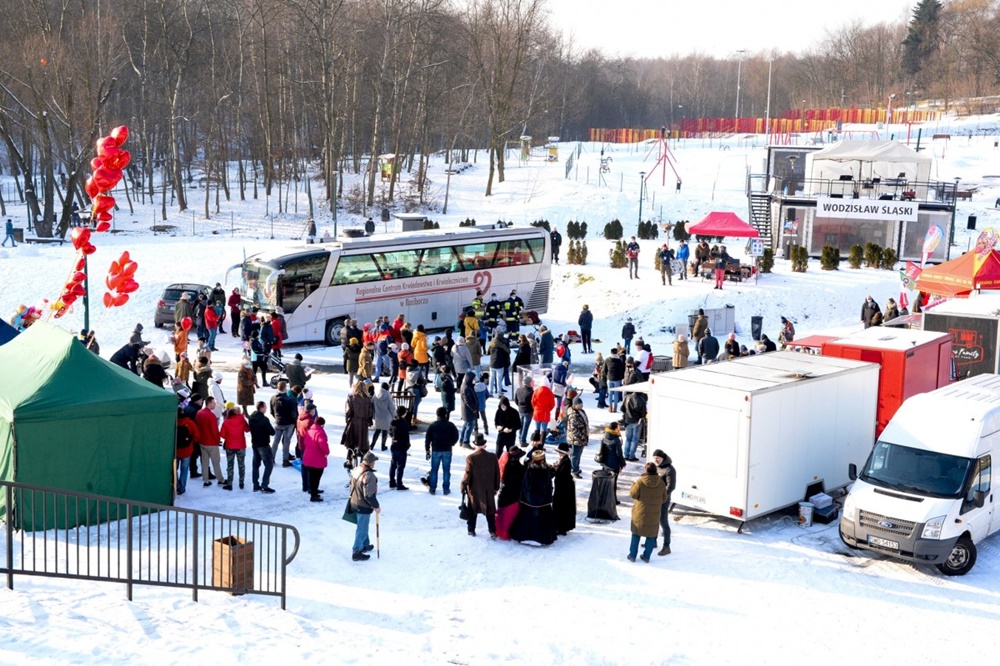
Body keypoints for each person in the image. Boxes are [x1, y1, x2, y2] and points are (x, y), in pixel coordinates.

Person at [512, 449, 558, 545]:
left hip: (528, 501)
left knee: (527, 518)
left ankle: (525, 537)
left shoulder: (529, 469)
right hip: (543, 502)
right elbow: (548, 485)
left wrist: (524, 497)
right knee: (542, 519)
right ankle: (540, 539)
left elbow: (525, 485)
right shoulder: (545, 470)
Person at [461, 433, 501, 537]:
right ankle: (492, 531)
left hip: (474, 490)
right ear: (485, 445)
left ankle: (471, 530)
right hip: (489, 489)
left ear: (474, 446)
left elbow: (468, 474)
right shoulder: (493, 457)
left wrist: (463, 485)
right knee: (490, 511)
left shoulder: (471, 458)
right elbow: (497, 474)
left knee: (473, 510)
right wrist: (496, 487)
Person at [628, 462, 668, 562]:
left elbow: (633, 495)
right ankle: (646, 556)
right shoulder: (661, 483)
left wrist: (633, 484)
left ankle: (632, 556)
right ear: (656, 471)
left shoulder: (640, 482)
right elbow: (664, 498)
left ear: (646, 470)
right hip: (654, 515)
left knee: (636, 534)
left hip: (640, 513)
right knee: (651, 535)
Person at [349, 451, 380, 561]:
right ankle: (356, 550)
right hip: (363, 505)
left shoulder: (356, 470)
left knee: (363, 525)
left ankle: (365, 544)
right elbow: (369, 495)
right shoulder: (369, 475)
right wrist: (376, 506)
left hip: (354, 502)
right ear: (371, 463)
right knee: (361, 527)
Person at [423, 406, 459, 495]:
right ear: (445, 414)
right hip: (447, 449)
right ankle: (446, 489)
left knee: (434, 470)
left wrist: (427, 450)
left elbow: (427, 439)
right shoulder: (450, 425)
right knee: (446, 470)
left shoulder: (433, 425)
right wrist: (452, 443)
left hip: (436, 449)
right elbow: (456, 436)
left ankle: (432, 488)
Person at [219, 407, 250, 490]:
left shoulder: (226, 422)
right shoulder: (242, 420)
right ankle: (241, 482)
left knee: (230, 465)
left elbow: (222, 435)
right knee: (241, 465)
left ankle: (229, 484)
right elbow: (247, 430)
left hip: (230, 446)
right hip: (241, 446)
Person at [196, 397, 224, 487]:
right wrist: (217, 440)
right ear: (209, 403)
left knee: (204, 462)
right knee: (216, 462)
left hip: (202, 441)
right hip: (211, 442)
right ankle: (220, 479)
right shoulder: (211, 416)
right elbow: (214, 431)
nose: (215, 404)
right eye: (213, 403)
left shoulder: (199, 413)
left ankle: (206, 480)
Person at [249, 401, 276, 493]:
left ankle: (255, 485)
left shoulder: (251, 417)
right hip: (263, 445)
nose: (266, 409)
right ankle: (265, 485)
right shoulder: (264, 419)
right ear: (262, 408)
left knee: (255, 465)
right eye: (265, 407)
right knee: (269, 465)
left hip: (255, 444)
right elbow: (272, 432)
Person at [653, 449, 676, 555]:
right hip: (655, 499)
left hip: (664, 500)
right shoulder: (657, 467)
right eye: (654, 458)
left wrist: (662, 497)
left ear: (662, 458)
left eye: (657, 458)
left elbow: (671, 486)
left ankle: (667, 546)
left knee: (663, 522)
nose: (656, 460)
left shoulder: (669, 469)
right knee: (654, 520)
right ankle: (653, 541)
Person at [301, 415, 329, 502]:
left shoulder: (310, 431)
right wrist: (327, 452)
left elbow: (305, 442)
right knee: (316, 477)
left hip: (308, 457)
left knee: (311, 476)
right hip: (317, 458)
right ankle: (314, 495)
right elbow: (323, 444)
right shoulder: (320, 432)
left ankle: (313, 490)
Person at [343, 380, 374, 458]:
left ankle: (349, 460)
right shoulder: (368, 399)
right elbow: (370, 413)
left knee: (351, 443)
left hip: (353, 422)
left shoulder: (351, 398)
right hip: (363, 424)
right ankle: (363, 461)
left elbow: (348, 411)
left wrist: (347, 419)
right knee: (363, 443)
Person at [269, 380, 297, 467]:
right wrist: (294, 421)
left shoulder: (273, 397)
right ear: (285, 388)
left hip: (278, 422)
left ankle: (271, 458)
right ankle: (285, 460)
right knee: (286, 442)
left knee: (276, 441)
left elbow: (271, 411)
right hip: (288, 424)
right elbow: (293, 414)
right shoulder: (288, 400)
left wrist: (277, 418)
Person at [597, 421, 626, 504]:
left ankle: (603, 497)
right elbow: (619, 453)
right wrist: (623, 463)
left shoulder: (605, 436)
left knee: (605, 481)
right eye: (618, 427)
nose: (619, 428)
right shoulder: (616, 439)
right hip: (614, 464)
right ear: (615, 429)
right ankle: (613, 499)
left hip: (605, 462)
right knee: (613, 483)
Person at [552, 442, 576, 535]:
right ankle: (560, 526)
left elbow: (561, 475)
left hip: (564, 488)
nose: (559, 454)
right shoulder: (563, 460)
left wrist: (554, 469)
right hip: (563, 487)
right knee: (561, 507)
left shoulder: (566, 461)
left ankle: (561, 527)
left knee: (561, 507)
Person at [175, 408, 198, 496]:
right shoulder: (190, 423)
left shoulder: (173, 423)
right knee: (184, 469)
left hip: (176, 451)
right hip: (187, 450)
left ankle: (175, 485)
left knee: (174, 469)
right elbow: (196, 436)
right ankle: (182, 487)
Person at [621, 385, 647, 462]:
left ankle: (626, 455)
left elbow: (622, 408)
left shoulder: (627, 397)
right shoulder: (642, 400)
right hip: (637, 422)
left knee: (628, 439)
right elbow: (643, 414)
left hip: (628, 420)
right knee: (634, 440)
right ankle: (631, 456)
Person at [389, 405, 411, 490]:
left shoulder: (393, 421)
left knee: (393, 464)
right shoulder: (404, 423)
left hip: (394, 445)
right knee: (401, 466)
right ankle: (399, 483)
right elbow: (406, 437)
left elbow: (390, 432)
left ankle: (391, 482)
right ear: (404, 413)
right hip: (401, 446)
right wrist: (407, 446)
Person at [371, 382, 395, 452]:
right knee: (385, 431)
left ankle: (372, 445)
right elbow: (391, 407)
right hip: (386, 417)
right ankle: (383, 446)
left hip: (378, 416)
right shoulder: (388, 396)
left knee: (377, 431)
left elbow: (371, 402)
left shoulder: (375, 395)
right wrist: (394, 415)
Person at [603, 347, 625, 413]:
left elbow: (604, 369)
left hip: (609, 378)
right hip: (617, 379)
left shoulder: (607, 360)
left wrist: (607, 375)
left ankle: (610, 407)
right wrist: (621, 377)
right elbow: (622, 370)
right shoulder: (619, 361)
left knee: (610, 394)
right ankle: (615, 407)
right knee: (616, 394)